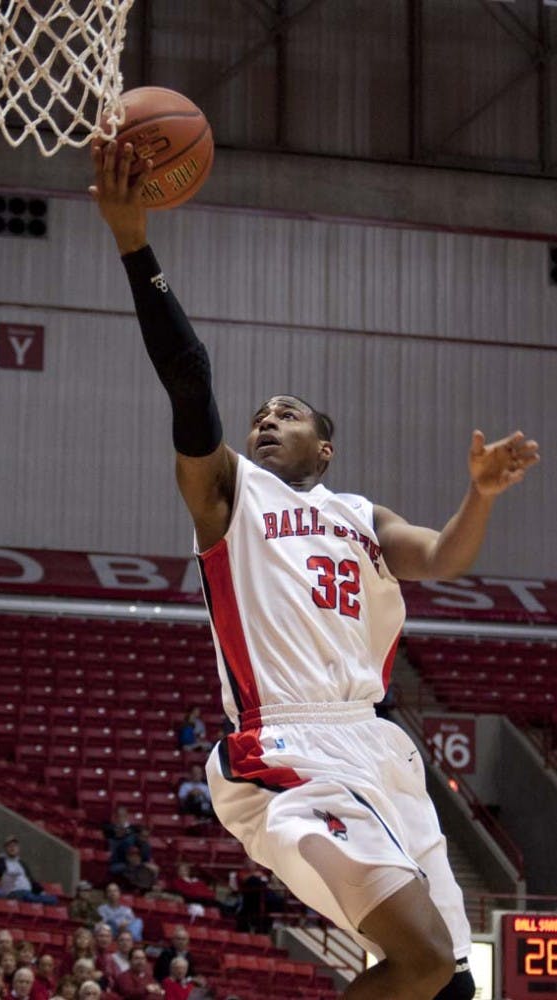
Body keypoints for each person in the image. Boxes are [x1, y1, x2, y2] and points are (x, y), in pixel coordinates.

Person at [89, 140, 541, 1000]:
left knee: (446, 984)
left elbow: (444, 556)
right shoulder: (228, 494)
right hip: (286, 745)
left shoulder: (360, 515)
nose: (266, 420)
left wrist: (478, 494)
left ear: (323, 446)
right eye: (260, 415)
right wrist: (133, 241)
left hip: (378, 748)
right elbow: (190, 379)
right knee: (413, 959)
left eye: (286, 414)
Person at [0, 836, 57, 904]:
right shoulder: (1, 861)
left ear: (18, 848)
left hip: (28, 892)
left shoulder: (22, 863)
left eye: (14, 846)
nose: (12, 848)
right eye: (9, 846)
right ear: (5, 849)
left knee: (53, 899)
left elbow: (31, 880)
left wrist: (42, 891)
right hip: (14, 892)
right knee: (30, 897)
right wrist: (0, 858)